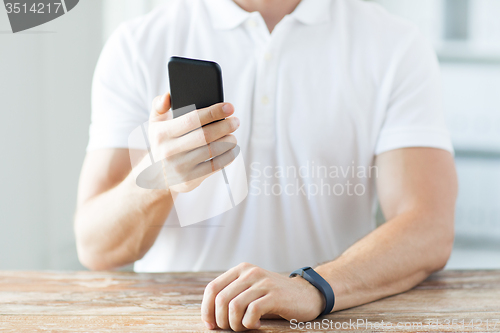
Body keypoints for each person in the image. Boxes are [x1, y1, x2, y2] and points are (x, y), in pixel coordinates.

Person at [75, 0, 458, 331]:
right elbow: (96, 246)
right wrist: (159, 176)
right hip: (179, 322)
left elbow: (428, 227)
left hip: (331, 320)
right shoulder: (136, 44)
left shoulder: (395, 45)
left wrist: (313, 286)